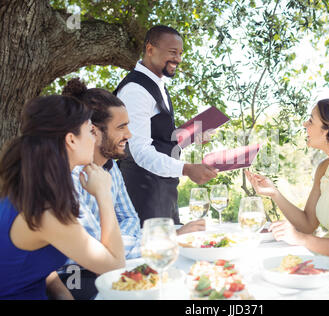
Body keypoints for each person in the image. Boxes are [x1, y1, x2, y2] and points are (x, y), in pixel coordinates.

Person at [58, 78, 207, 299]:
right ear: (93, 131)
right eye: (121, 127)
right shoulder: (67, 177)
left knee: (188, 282)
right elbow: (98, 252)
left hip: (114, 265)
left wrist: (116, 241)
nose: (129, 135)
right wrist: (168, 240)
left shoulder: (110, 166)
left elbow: (129, 219)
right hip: (76, 279)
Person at [0, 95, 125, 300]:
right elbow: (115, 267)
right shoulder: (45, 210)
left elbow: (34, 265)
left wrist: (65, 296)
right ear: (71, 139)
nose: (94, 139)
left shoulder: (28, 189)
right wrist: (104, 194)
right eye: (89, 131)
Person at [114, 25, 218, 226]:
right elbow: (140, 152)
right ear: (150, 49)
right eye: (172, 52)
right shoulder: (135, 90)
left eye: (180, 53)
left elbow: (160, 139)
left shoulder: (157, 84)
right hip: (143, 194)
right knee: (151, 254)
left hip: (163, 190)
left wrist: (191, 137)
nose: (178, 59)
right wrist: (187, 169)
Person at [245, 99, 329, 259]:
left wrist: (302, 240)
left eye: (311, 120)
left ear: (328, 130)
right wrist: (274, 193)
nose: (305, 124)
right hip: (323, 260)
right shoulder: (324, 169)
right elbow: (308, 224)